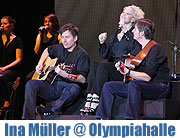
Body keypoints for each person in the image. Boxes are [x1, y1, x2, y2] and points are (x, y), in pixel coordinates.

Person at [96, 18, 170, 120]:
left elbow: (147, 77)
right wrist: (122, 67)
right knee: (109, 86)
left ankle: (131, 120)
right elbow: (129, 63)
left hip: (159, 86)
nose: (132, 31)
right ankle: (102, 119)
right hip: (140, 85)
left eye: (135, 29)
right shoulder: (139, 48)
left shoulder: (156, 49)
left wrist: (128, 72)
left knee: (134, 84)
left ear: (142, 33)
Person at [80, 5, 145, 115]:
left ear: (133, 19)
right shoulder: (116, 34)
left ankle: (96, 98)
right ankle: (90, 96)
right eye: (123, 12)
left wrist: (125, 33)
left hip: (124, 70)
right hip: (113, 67)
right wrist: (102, 43)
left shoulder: (134, 34)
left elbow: (136, 52)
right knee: (96, 65)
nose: (123, 14)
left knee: (103, 66)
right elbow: (105, 55)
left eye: (127, 13)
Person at [22, 23, 90, 120]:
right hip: (53, 86)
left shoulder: (82, 55)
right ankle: (28, 118)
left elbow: (82, 79)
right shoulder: (60, 48)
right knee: (31, 84)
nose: (64, 40)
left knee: (74, 89)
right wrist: (40, 63)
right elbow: (47, 50)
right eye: (62, 37)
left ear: (75, 38)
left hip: (68, 88)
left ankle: (51, 109)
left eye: (67, 37)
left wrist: (65, 75)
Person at [25, 14, 61, 81]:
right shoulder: (40, 35)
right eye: (45, 21)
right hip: (42, 64)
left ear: (54, 23)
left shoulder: (58, 36)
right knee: (29, 78)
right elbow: (37, 51)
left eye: (49, 21)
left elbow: (61, 53)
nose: (47, 24)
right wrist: (41, 35)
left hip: (53, 65)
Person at [0, 16, 23, 108]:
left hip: (11, 69)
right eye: (1, 24)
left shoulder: (17, 41)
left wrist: (4, 68)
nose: (2, 26)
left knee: (1, 77)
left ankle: (6, 99)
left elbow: (18, 59)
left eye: (5, 24)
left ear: (11, 26)